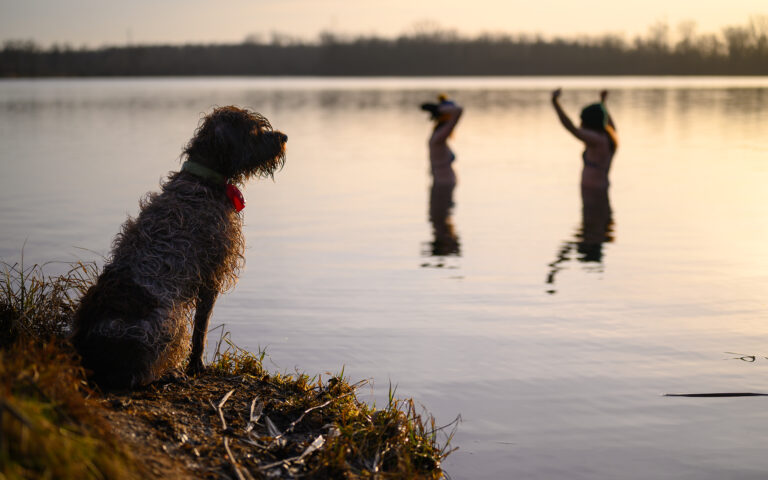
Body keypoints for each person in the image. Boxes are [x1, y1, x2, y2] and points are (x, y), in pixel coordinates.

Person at [551, 89, 617, 189]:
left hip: (594, 192)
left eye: (582, 121)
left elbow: (571, 128)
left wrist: (555, 102)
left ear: (590, 123)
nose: (580, 124)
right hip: (597, 189)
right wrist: (603, 103)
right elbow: (609, 123)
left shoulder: (597, 140)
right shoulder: (609, 136)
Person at [422, 95, 463, 186]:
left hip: (444, 183)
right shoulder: (439, 135)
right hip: (442, 183)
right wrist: (439, 109)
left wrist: (438, 108)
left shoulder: (439, 135)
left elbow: (458, 111)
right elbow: (457, 111)